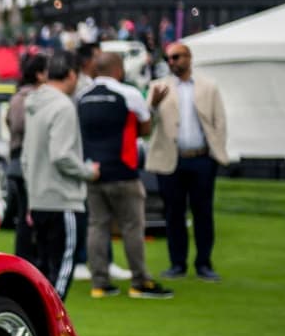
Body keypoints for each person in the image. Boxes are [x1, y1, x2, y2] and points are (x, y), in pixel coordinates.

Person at [77, 48, 171, 299]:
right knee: (132, 227)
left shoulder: (82, 97)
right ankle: (139, 281)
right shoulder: (128, 94)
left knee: (97, 226)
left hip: (93, 172)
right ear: (118, 70)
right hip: (123, 172)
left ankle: (100, 283)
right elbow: (145, 128)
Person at [147, 42, 229, 280]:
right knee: (174, 213)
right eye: (168, 58)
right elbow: (146, 124)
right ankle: (177, 264)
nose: (171, 62)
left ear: (188, 57)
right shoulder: (158, 87)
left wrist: (217, 152)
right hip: (171, 160)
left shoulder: (208, 87)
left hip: (201, 158)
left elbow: (219, 121)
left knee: (203, 212)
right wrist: (153, 105)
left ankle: (204, 263)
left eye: (176, 57)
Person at [22, 52, 96, 299]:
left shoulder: (33, 104)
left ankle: (39, 328)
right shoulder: (63, 106)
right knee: (60, 275)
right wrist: (87, 172)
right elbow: (61, 155)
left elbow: (25, 158)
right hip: (63, 200)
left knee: (43, 275)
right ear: (72, 74)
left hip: (39, 199)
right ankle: (52, 331)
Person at [6, 52, 48, 261]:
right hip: (26, 162)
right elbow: (23, 128)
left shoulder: (17, 97)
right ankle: (29, 260)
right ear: (39, 75)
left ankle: (25, 259)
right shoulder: (30, 99)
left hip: (17, 162)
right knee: (30, 215)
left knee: (25, 215)